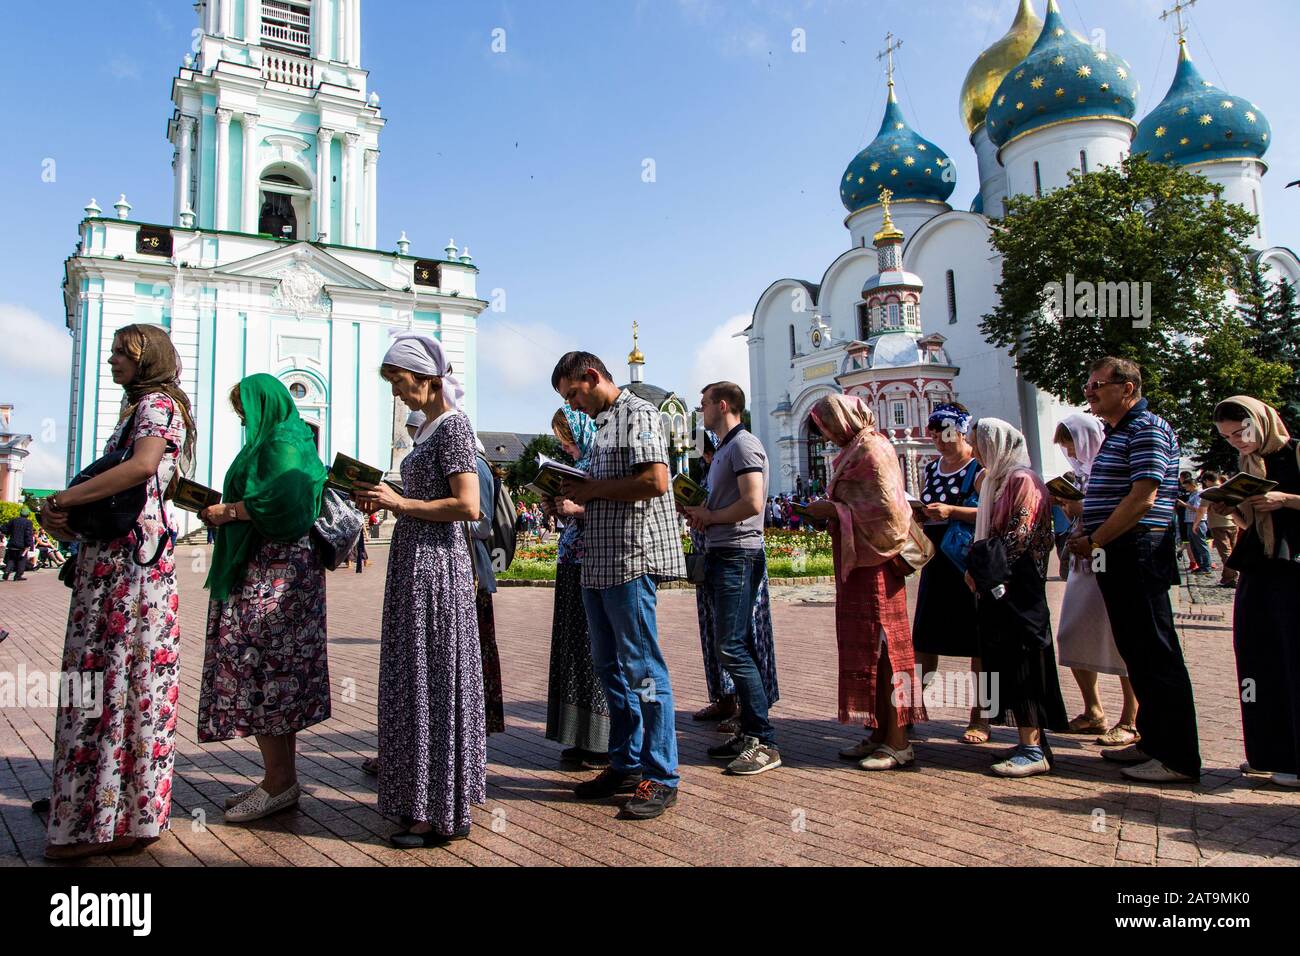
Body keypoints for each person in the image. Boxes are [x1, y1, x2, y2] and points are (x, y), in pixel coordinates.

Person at [37, 323, 194, 860]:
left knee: (116, 676)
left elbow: (143, 467)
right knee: (123, 681)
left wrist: (65, 496)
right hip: (121, 559)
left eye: (120, 354)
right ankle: (121, 814)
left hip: (130, 566)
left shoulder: (155, 406)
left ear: (146, 357)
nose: (111, 362)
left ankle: (102, 820)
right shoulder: (143, 408)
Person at [353, 332, 485, 848]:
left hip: (436, 568)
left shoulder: (453, 426)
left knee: (432, 677)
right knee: (415, 677)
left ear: (427, 378)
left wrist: (400, 504)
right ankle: (420, 798)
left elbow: (468, 505)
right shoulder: (430, 429)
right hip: (415, 563)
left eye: (400, 381)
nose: (396, 392)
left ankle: (438, 811)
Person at [551, 351, 686, 820]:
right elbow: (609, 482)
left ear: (591, 377)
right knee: (611, 667)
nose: (574, 406)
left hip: (631, 557)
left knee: (643, 667)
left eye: (573, 394)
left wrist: (590, 491)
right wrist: (573, 488)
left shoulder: (639, 413)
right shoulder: (606, 421)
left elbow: (655, 480)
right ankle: (626, 762)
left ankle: (662, 774)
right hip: (600, 558)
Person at [196, 375, 331, 823]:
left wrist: (230, 511)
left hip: (272, 579)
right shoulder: (285, 438)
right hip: (272, 573)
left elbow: (286, 506)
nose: (242, 420)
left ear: (264, 407)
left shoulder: (280, 444)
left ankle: (278, 782)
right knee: (274, 676)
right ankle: (281, 779)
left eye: (245, 411)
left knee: (265, 674)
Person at [1069, 357, 1200, 784]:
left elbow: (1143, 497)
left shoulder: (1147, 428)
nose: (1089, 392)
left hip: (1137, 550)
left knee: (1156, 651)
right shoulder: (1119, 432)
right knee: (1137, 649)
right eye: (1087, 386)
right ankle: (1153, 740)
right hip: (1117, 551)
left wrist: (1096, 540)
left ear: (1127, 388)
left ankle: (1178, 757)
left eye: (1097, 385)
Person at [799, 394, 926, 771]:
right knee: (868, 648)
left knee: (886, 649)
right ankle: (879, 731)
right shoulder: (855, 449)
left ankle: (899, 741)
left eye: (828, 425)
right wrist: (830, 514)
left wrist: (834, 510)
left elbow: (888, 511)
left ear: (844, 419)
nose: (826, 434)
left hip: (878, 565)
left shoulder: (872, 449)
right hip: (859, 565)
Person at [681, 382, 782, 776]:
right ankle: (748, 731)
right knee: (734, 645)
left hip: (738, 553)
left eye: (704, 403)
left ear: (723, 405)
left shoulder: (743, 445)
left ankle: (764, 740)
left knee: (733, 647)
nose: (700, 409)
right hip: (724, 551)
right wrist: (701, 508)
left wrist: (711, 516)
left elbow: (753, 502)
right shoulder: (724, 448)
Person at [965, 418, 1069, 777]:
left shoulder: (1022, 480)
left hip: (1018, 588)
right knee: (1008, 660)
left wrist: (981, 567)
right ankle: (1030, 740)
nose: (975, 451)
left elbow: (1017, 537)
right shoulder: (998, 480)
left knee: (1025, 661)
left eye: (978, 444)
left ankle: (1034, 746)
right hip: (1000, 586)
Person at [1212, 397, 1300, 788]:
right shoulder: (1247, 465)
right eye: (1228, 438)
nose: (1237, 442)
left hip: (1293, 564)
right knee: (1257, 656)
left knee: (1293, 658)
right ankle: (1269, 751)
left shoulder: (1295, 452)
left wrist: (1285, 499)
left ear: (1261, 422)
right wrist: (1233, 507)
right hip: (1260, 564)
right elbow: (1251, 521)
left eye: (1240, 433)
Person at [1052, 414, 1140, 747]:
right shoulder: (1078, 474)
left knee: (1120, 639)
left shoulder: (1110, 469)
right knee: (1073, 633)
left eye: (1071, 442)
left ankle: (1131, 717)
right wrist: (1067, 503)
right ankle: (1093, 710)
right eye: (1064, 444)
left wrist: (1080, 507)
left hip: (1107, 558)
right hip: (1080, 561)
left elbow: (1123, 508)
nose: (1068, 450)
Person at [909, 403, 987, 745]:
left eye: (947, 433)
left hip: (968, 561)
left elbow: (990, 511)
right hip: (937, 559)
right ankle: (911, 706)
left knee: (979, 642)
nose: (940, 440)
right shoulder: (932, 468)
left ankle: (981, 715)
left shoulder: (979, 467)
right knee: (925, 637)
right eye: (935, 434)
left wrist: (952, 510)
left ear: (963, 431)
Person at [542, 405, 611, 767]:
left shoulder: (598, 463)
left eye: (568, 440)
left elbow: (610, 508)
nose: (566, 447)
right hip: (570, 561)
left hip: (592, 563)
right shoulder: (578, 465)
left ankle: (600, 740)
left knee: (590, 649)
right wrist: (554, 505)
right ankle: (578, 733)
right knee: (572, 647)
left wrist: (576, 509)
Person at [470, 438, 506, 735]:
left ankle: (478, 719)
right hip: (463, 570)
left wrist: (434, 513)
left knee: (477, 647)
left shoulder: (476, 465)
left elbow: (482, 524)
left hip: (473, 573)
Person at [1202, 472, 1239, 588]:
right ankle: (1227, 576)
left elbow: (1202, 509)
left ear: (1207, 480)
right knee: (1234, 551)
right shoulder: (1228, 488)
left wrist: (1196, 523)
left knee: (1225, 552)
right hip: (1233, 523)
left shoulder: (1211, 491)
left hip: (1218, 524)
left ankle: (1233, 577)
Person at [1177, 473, 1212, 574]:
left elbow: (1199, 510)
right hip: (1190, 522)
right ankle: (1200, 565)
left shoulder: (1199, 494)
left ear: (1193, 485)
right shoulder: (1192, 494)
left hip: (1197, 522)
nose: (1186, 489)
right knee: (1193, 545)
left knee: (1200, 545)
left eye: (1187, 487)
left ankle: (1206, 567)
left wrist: (1184, 505)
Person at [1, 507, 35, 581]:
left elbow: (4, 528)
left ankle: (6, 572)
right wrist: (29, 545)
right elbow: (28, 534)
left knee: (11, 560)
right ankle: (18, 576)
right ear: (28, 515)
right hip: (22, 546)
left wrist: (8, 533)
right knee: (21, 560)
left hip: (12, 544)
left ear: (20, 514)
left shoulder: (14, 520)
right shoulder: (28, 522)